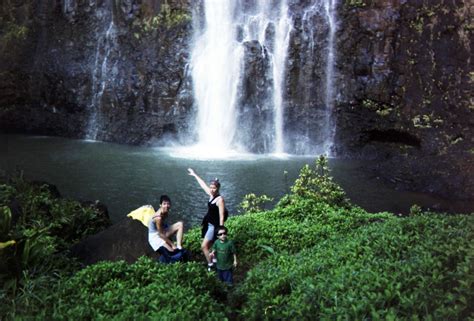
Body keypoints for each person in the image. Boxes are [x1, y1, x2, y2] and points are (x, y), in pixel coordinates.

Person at [187, 168, 227, 270]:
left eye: (214, 188)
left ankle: (211, 265)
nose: (211, 189)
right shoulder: (211, 195)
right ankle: (215, 260)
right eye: (211, 187)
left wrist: (221, 230)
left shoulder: (220, 199)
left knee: (204, 246)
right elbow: (203, 185)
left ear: (218, 188)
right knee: (211, 246)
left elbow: (221, 216)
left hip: (214, 226)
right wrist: (195, 174)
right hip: (208, 224)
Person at [148, 195, 185, 263]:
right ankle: (161, 262)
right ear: (160, 205)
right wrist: (172, 245)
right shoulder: (158, 217)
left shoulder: (165, 212)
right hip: (155, 237)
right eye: (164, 204)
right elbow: (161, 235)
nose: (166, 205)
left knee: (180, 224)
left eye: (168, 203)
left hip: (161, 232)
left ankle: (179, 246)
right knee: (171, 252)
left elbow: (163, 227)